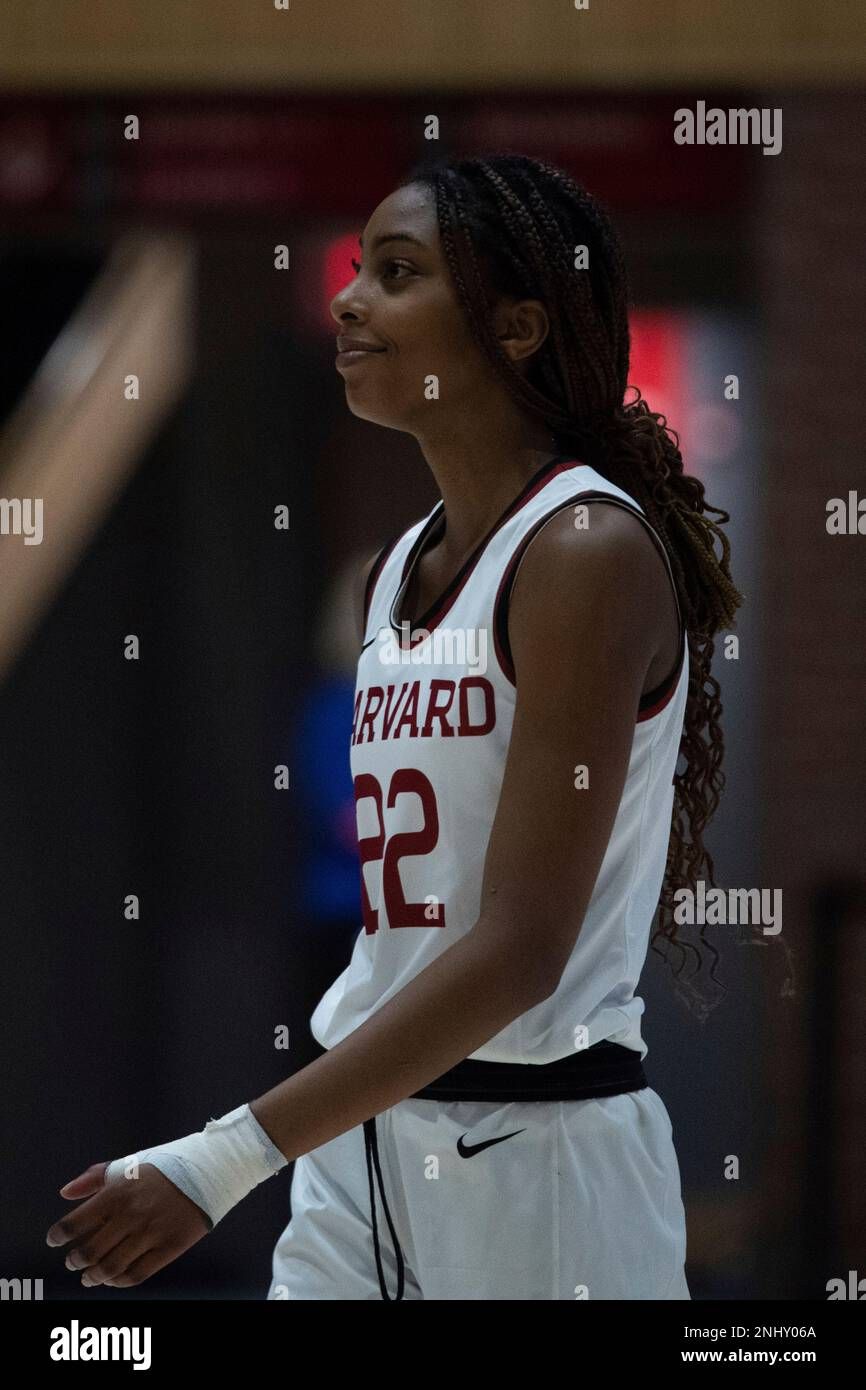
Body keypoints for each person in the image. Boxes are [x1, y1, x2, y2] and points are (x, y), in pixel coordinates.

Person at [46, 153, 743, 1300]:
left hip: (539, 1160)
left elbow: (521, 948)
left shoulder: (582, 553)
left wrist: (224, 1156)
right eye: (358, 265)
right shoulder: (393, 572)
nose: (348, 296)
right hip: (365, 1142)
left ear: (515, 327)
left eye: (398, 271)